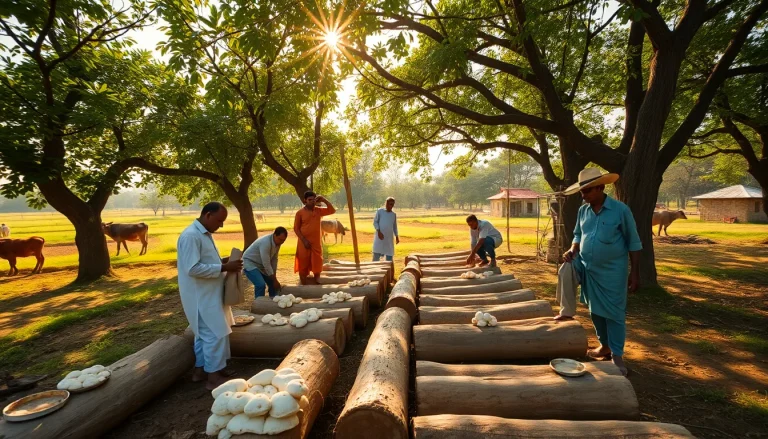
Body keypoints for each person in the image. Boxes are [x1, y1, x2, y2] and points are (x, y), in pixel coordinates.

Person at [555, 168, 641, 376]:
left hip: (612, 272)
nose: (584, 196)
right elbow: (577, 234)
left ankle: (617, 355)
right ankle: (571, 314)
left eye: (588, 191)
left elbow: (634, 243)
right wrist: (572, 249)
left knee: (614, 314)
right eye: (582, 192)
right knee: (568, 271)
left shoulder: (620, 210)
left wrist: (635, 273)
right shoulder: (583, 211)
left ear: (601, 187)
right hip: (586, 266)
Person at [177, 202, 243, 389]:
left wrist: (223, 261)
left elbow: (203, 261)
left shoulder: (203, 234)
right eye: (219, 220)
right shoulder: (191, 236)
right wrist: (223, 267)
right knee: (215, 334)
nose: (220, 225)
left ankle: (201, 372)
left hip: (209, 294)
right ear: (207, 215)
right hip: (201, 297)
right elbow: (192, 268)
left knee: (203, 335)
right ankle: (214, 378)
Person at [294, 191, 336, 285]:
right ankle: (303, 282)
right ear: (305, 201)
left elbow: (332, 210)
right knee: (303, 261)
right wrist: (304, 240)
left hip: (316, 242)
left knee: (317, 261)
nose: (312, 202)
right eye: (309, 200)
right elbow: (296, 229)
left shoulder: (318, 210)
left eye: (313, 200)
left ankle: (317, 280)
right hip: (303, 242)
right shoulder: (300, 213)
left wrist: (324, 200)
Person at [243, 226, 288, 298]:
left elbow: (274, 259)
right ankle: (259, 305)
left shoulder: (277, 243)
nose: (281, 242)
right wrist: (274, 279)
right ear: (275, 235)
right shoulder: (265, 243)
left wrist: (274, 277)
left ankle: (274, 302)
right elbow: (266, 263)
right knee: (260, 284)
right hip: (250, 262)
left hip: (261, 264)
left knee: (272, 282)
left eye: (283, 241)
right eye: (280, 239)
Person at [372, 197, 399, 262]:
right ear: (386, 204)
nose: (390, 206)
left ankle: (389, 271)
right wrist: (378, 231)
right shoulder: (380, 211)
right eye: (389, 204)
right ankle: (374, 270)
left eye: (392, 204)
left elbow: (394, 226)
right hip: (380, 237)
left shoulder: (393, 215)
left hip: (389, 239)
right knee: (376, 256)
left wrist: (397, 236)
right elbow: (375, 222)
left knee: (389, 258)